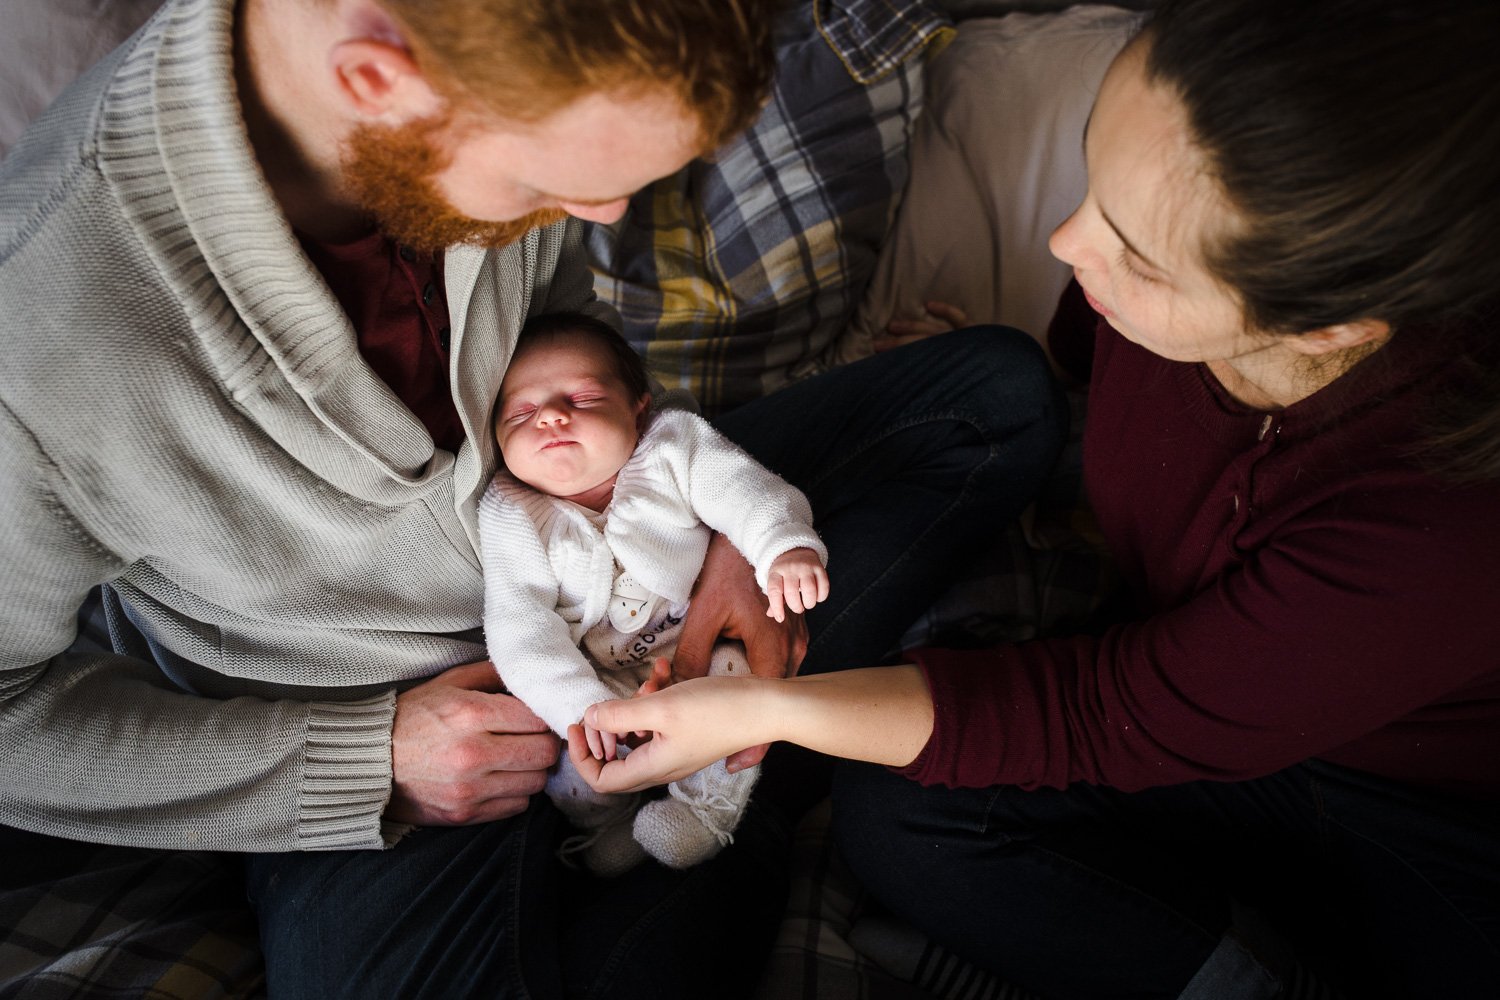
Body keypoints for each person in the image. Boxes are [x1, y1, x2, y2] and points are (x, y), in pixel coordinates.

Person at [0, 0, 1069, 994]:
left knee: (997, 396)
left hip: (625, 560)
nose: (602, 214)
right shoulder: (39, 331)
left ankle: (729, 749)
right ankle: (753, 782)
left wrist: (736, 535)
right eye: (550, 185)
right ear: (378, 80)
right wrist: (360, 766)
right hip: (386, 730)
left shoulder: (489, 109)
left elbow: (577, 354)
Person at [570, 0, 1500, 996]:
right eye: (1096, 179)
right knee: (897, 807)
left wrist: (765, 709)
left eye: (1137, 255)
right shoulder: (1142, 305)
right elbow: (1061, 372)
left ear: (1327, 329)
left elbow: (1099, 711)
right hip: (1187, 687)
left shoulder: (1443, 530)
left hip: (1400, 806)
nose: (1065, 241)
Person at [480, 312, 828, 874]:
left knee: (739, 689)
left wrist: (783, 546)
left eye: (584, 396)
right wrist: (589, 711)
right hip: (597, 682)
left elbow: (742, 488)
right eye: (520, 413)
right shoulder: (510, 513)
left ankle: (704, 812)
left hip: (702, 640)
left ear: (638, 406)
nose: (549, 415)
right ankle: (608, 824)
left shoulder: (672, 446)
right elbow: (520, 630)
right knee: (568, 768)